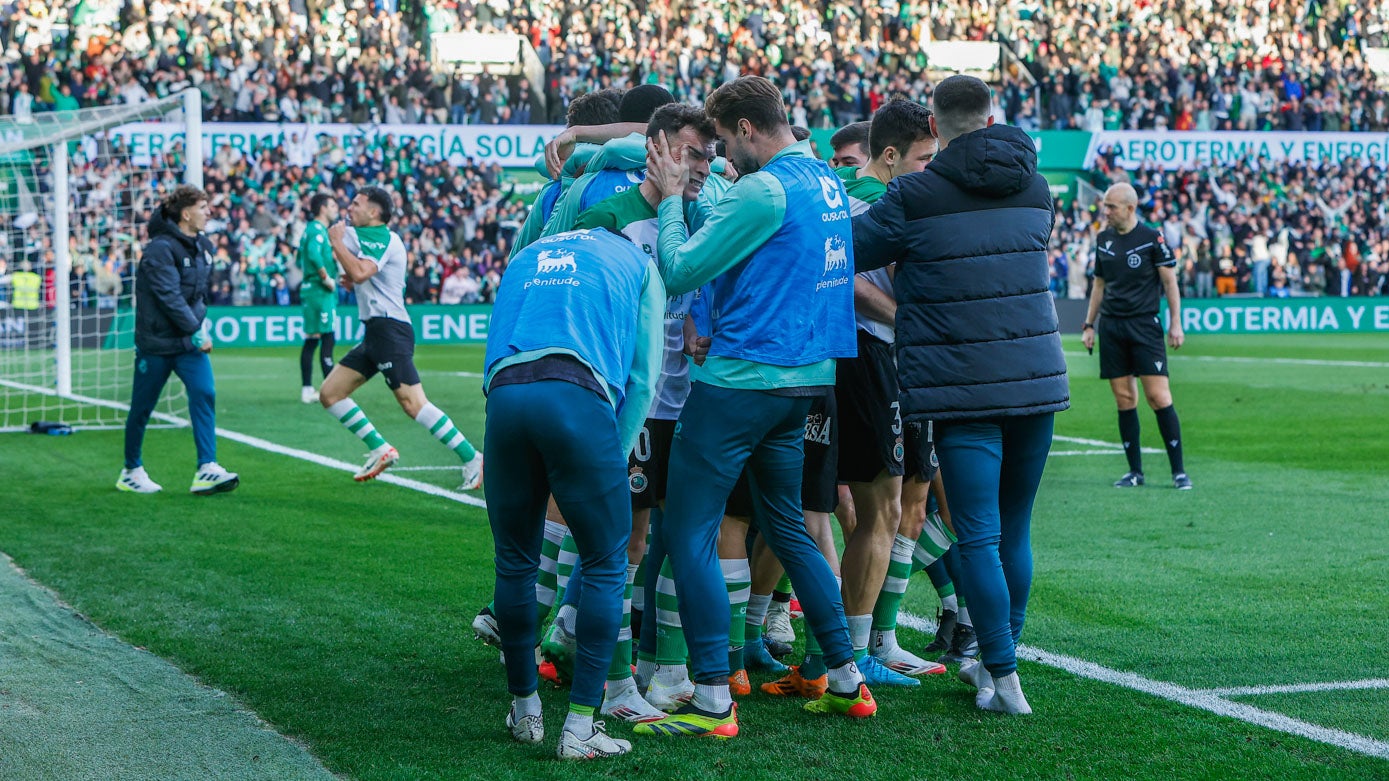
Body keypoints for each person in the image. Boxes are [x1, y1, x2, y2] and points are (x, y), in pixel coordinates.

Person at [636, 75, 874, 740]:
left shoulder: (761, 187)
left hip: (742, 381)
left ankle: (711, 696)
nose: (721, 154)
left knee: (688, 530)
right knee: (790, 529)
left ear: (744, 129)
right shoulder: (824, 178)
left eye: (723, 141)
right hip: (804, 381)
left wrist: (672, 201)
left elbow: (680, 268)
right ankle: (846, 680)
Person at [852, 74, 1069, 715]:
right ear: (991, 115)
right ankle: (993, 666)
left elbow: (850, 249)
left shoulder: (917, 193)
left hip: (962, 385)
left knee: (975, 533)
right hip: (1034, 377)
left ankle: (1002, 678)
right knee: (1014, 529)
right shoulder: (1036, 185)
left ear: (936, 128)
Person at [483, 228, 666, 760]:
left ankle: (524, 709)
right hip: (578, 395)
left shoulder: (526, 255)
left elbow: (495, 349)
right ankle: (580, 725)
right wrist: (615, 450)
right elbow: (642, 375)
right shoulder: (637, 260)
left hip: (507, 395)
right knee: (607, 563)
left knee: (514, 563)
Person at [316, 187, 483, 490]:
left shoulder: (383, 237)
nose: (349, 207)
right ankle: (381, 449)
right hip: (375, 332)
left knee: (413, 403)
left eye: (356, 203)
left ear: (374, 212)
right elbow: (361, 275)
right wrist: (352, 276)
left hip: (390, 331)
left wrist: (337, 243)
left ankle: (473, 458)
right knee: (330, 393)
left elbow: (362, 271)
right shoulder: (369, 237)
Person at [118, 185, 239, 496]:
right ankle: (131, 470)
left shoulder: (204, 246)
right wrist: (196, 331)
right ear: (186, 214)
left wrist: (201, 324)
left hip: (186, 343)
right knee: (142, 408)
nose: (208, 212)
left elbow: (197, 296)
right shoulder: (160, 249)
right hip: (157, 344)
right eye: (203, 207)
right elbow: (169, 297)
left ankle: (207, 467)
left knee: (204, 391)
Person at [1082, 183, 1192, 491]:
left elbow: (1170, 283)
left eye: (1111, 207)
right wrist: (1089, 324)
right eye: (1105, 206)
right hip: (1112, 327)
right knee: (1125, 399)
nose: (1106, 211)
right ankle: (1135, 472)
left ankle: (1179, 471)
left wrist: (1176, 324)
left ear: (1130, 208)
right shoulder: (1103, 240)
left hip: (1144, 326)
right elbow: (1099, 285)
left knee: (1158, 397)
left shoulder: (1152, 238)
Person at [297, 193, 338, 404]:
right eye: (332, 205)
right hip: (320, 291)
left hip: (310, 289)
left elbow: (299, 258)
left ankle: (307, 389)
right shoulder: (318, 230)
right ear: (323, 208)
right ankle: (331, 390)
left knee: (312, 339)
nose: (335, 209)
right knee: (328, 337)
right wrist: (326, 276)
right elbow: (313, 254)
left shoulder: (309, 230)